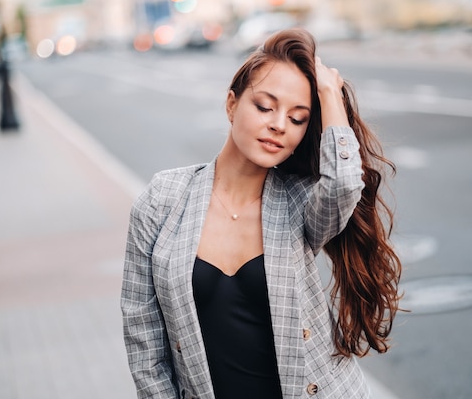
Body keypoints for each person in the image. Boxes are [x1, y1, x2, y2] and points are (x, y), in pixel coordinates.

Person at [121, 28, 401, 399]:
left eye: (298, 118)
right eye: (265, 106)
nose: (279, 125)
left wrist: (330, 94)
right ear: (232, 104)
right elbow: (144, 344)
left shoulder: (300, 202)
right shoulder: (163, 199)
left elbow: (344, 185)